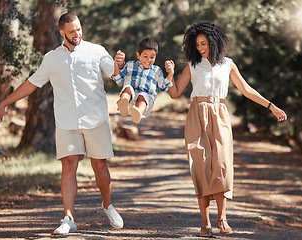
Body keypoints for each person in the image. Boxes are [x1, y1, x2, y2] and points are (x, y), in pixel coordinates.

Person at [0, 12, 126, 235]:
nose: (77, 34)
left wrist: (118, 65)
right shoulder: (52, 58)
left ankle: (107, 205)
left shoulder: (96, 51)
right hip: (67, 121)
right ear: (62, 32)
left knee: (100, 167)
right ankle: (69, 218)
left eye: (79, 29)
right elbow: (31, 84)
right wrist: (5, 102)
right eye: (72, 31)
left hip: (95, 118)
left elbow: (113, 73)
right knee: (68, 166)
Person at [165, 21, 287, 237]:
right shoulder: (192, 66)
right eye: (197, 45)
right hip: (196, 115)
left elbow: (246, 90)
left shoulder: (228, 64)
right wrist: (170, 76)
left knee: (221, 166)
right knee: (200, 166)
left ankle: (222, 218)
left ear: (214, 42)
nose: (200, 48)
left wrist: (271, 106)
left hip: (220, 115)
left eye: (204, 43)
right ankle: (205, 223)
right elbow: (175, 94)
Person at [113, 38, 173, 124]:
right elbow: (118, 80)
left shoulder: (157, 71)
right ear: (138, 55)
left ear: (156, 56)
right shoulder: (130, 65)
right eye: (145, 56)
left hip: (144, 105)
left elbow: (163, 88)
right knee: (128, 88)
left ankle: (137, 112)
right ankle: (123, 103)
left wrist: (170, 74)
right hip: (130, 101)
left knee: (143, 95)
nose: (149, 60)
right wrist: (116, 64)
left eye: (152, 57)